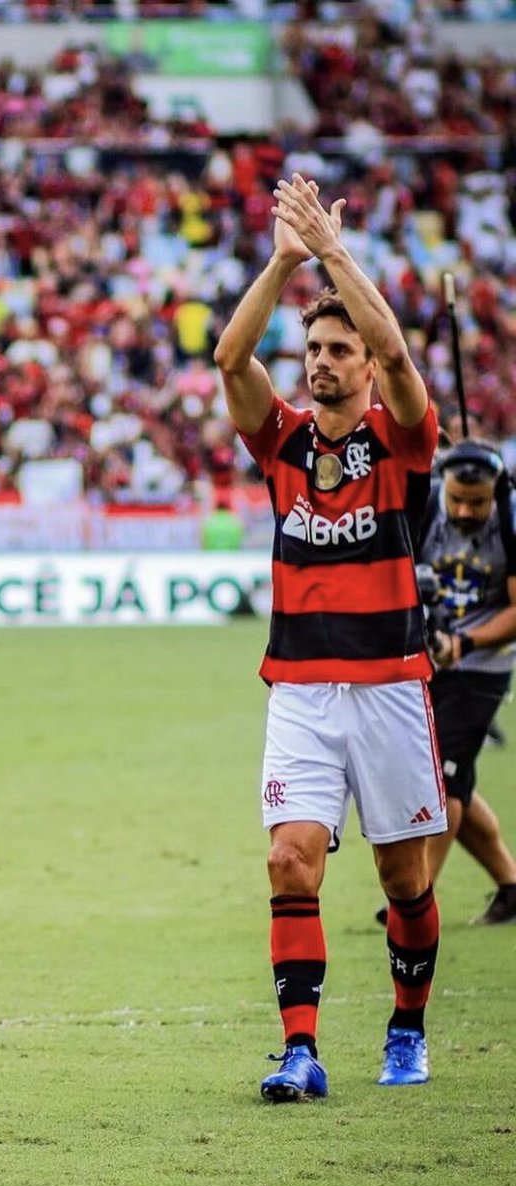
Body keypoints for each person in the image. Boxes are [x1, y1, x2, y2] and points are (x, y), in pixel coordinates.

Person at [214, 175, 445, 1101]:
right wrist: (283, 260)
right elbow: (232, 359)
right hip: (302, 689)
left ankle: (406, 1030)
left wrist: (339, 259)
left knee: (404, 882)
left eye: (335, 349)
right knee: (288, 857)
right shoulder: (281, 443)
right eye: (312, 348)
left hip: (390, 684)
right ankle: (300, 1051)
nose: (321, 362)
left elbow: (397, 352)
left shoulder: (403, 440)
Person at [407, 440, 516, 924]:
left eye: (477, 501)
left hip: (483, 667)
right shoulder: (428, 506)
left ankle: (413, 903)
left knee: (444, 782)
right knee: (455, 778)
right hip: (428, 662)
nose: (465, 510)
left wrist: (464, 645)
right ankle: (512, 887)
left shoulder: (510, 523)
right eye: (457, 499)